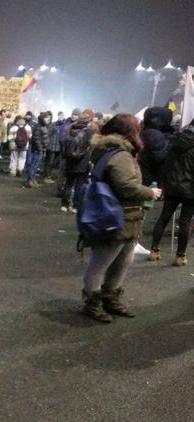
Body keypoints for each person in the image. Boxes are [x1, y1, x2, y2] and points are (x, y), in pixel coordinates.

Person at [81, 114, 161, 322]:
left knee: (122, 261)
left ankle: (109, 298)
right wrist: (150, 192)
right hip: (118, 217)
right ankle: (93, 303)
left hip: (122, 216)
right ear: (130, 131)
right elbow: (125, 187)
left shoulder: (107, 150)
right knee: (102, 263)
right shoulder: (121, 155)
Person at [148, 119, 194, 266]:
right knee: (185, 221)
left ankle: (154, 251)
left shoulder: (176, 140)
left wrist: (164, 183)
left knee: (164, 218)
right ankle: (180, 256)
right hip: (190, 189)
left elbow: (167, 164)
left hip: (172, 186)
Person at [61, 111, 97, 213]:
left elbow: (64, 142)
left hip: (70, 161)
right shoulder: (89, 132)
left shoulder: (71, 128)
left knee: (68, 183)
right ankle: (75, 206)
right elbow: (93, 146)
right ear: (87, 122)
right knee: (79, 185)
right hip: (82, 162)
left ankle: (64, 204)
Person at [138, 106, 175, 187]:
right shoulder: (155, 136)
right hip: (154, 182)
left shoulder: (145, 132)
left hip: (145, 179)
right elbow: (161, 158)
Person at [24, 111, 52, 188]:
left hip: (40, 149)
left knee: (35, 166)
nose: (48, 119)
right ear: (43, 118)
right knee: (33, 166)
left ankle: (32, 180)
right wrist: (40, 149)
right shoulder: (39, 126)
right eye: (47, 118)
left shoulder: (43, 126)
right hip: (37, 150)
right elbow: (36, 139)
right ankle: (30, 181)